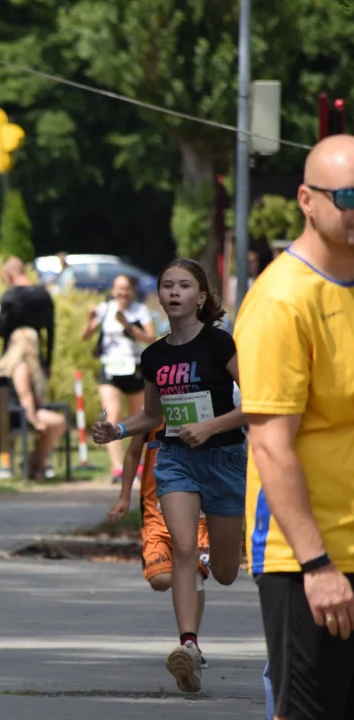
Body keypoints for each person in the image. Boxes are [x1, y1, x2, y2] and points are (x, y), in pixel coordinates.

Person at [236, 135, 354, 718]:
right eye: (348, 196)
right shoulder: (282, 301)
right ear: (307, 200)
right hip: (306, 558)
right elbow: (270, 445)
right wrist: (317, 566)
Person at [92, 258, 246, 695]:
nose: (175, 292)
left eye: (184, 285)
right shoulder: (154, 355)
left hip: (224, 460)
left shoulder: (220, 344)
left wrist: (211, 426)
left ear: (201, 297)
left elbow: (257, 402)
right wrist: (118, 430)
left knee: (226, 571)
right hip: (175, 458)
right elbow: (153, 415)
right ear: (159, 296)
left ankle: (207, 569)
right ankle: (189, 647)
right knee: (182, 546)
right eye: (167, 286)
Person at [109, 424, 212, 666]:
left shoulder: (205, 410)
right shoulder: (153, 414)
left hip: (197, 514)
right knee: (160, 580)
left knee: (193, 572)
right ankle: (186, 580)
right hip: (156, 515)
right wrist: (124, 497)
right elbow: (133, 452)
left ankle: (191, 645)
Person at [81, 274, 155, 482]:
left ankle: (137, 464)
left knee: (136, 419)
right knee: (112, 415)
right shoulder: (105, 309)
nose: (121, 293)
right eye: (118, 289)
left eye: (125, 289)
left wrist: (128, 326)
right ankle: (117, 467)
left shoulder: (140, 311)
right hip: (110, 369)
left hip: (134, 368)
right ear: (113, 290)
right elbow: (85, 336)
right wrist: (89, 320)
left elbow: (151, 337)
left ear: (132, 291)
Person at [0, 327, 67, 480]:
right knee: (58, 422)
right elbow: (25, 397)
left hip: (7, 415)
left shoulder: (6, 366)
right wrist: (35, 421)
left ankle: (36, 464)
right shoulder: (22, 367)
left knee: (52, 425)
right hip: (17, 416)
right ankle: (35, 464)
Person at [0, 257, 55, 373]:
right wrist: (48, 362)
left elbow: (0, 329)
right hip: (37, 357)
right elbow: (51, 331)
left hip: (13, 358)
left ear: (8, 275)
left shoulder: (10, 296)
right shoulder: (44, 295)